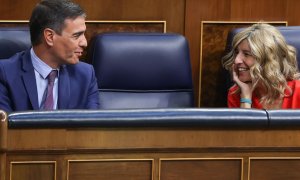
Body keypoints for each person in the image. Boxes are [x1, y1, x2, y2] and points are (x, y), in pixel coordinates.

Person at [0, 0, 99, 112]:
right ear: (50, 37)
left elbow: (93, 126)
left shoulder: (85, 75)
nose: (84, 43)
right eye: (77, 35)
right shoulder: (4, 73)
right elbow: (4, 127)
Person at [222, 23, 300, 109]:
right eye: (237, 52)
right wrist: (246, 97)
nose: (236, 60)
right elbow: (243, 122)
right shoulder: (236, 93)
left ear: (268, 59)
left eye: (246, 54)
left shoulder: (298, 90)